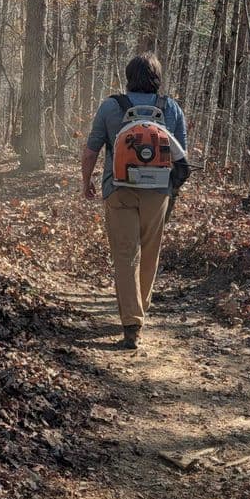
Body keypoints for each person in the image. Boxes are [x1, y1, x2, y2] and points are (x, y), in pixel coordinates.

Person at [81, 52, 187, 349]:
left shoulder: (111, 107)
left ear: (128, 77)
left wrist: (86, 182)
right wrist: (173, 190)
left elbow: (91, 151)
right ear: (157, 77)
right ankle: (140, 310)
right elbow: (182, 158)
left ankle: (131, 324)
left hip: (118, 188)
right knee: (149, 252)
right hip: (158, 192)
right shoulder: (172, 109)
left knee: (125, 255)